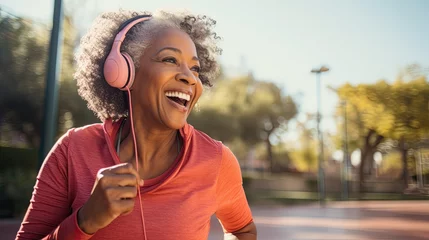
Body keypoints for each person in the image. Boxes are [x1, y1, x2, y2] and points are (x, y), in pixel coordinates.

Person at [16, 9, 257, 240]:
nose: (190, 77)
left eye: (195, 68)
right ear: (124, 72)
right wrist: (85, 220)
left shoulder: (216, 160)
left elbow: (242, 230)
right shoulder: (73, 150)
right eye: (170, 59)